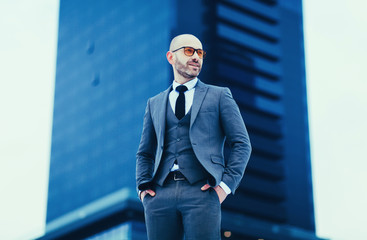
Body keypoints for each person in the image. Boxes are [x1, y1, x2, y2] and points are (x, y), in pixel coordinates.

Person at [136, 34, 251, 240]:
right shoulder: (154, 103)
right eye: (189, 51)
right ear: (171, 57)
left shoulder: (219, 95)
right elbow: (145, 152)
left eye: (200, 53)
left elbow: (242, 144)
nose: (196, 57)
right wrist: (143, 188)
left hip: (202, 192)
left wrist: (224, 187)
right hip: (160, 194)